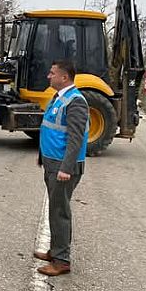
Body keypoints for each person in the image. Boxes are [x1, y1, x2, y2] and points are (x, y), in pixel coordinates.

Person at [34, 59, 89, 276]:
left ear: (64, 77)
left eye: (52, 73)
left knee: (59, 212)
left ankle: (61, 261)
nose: (48, 76)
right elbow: (49, 129)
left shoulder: (76, 102)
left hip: (63, 168)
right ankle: (55, 251)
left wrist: (66, 168)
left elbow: (75, 138)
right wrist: (42, 157)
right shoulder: (59, 98)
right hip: (52, 163)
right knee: (56, 209)